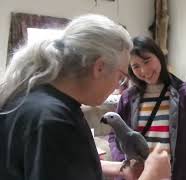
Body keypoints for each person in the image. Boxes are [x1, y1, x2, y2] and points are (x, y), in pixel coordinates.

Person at [0, 14, 171, 180]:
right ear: (100, 67)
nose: (118, 87)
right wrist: (152, 175)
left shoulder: (27, 98)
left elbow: (58, 164)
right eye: (120, 77)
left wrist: (118, 168)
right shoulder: (53, 122)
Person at [108, 36, 186, 180]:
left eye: (147, 61)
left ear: (159, 56)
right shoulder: (128, 98)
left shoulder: (183, 95)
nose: (144, 70)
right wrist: (125, 162)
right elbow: (114, 136)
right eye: (136, 66)